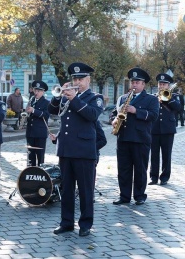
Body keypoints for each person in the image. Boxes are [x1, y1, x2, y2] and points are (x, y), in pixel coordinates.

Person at [48, 62, 104, 237]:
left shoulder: (95, 97)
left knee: (85, 190)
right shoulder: (66, 97)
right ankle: (66, 223)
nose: (77, 82)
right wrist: (58, 96)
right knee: (67, 189)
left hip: (84, 151)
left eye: (81, 79)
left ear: (88, 79)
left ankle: (86, 224)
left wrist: (74, 98)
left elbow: (92, 115)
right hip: (66, 150)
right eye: (75, 79)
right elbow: (51, 110)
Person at [110, 67, 159, 206]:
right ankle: (124, 196)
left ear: (143, 84)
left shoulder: (151, 99)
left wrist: (136, 110)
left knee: (140, 169)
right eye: (133, 82)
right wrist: (113, 119)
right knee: (123, 169)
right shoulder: (123, 98)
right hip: (123, 138)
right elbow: (114, 113)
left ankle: (139, 195)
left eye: (137, 82)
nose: (134, 84)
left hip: (140, 139)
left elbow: (154, 116)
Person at [149, 73, 181, 186]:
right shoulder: (152, 96)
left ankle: (164, 177)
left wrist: (167, 99)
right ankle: (153, 177)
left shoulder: (174, 95)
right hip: (154, 129)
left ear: (168, 85)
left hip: (168, 129)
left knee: (166, 154)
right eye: (160, 84)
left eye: (164, 84)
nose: (161, 86)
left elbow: (178, 108)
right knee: (154, 154)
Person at [25, 81, 50, 166]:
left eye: (38, 91)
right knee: (30, 156)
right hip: (30, 132)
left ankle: (40, 173)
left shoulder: (46, 102)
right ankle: (31, 173)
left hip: (40, 134)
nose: (36, 93)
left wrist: (34, 111)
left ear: (43, 92)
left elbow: (46, 115)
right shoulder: (31, 100)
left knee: (40, 156)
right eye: (35, 90)